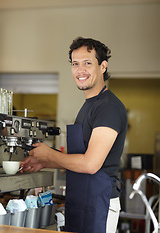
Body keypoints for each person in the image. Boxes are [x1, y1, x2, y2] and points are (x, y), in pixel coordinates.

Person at [20, 37, 127, 233]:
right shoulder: (90, 105)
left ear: (103, 66)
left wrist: (49, 155)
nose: (80, 70)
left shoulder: (108, 107)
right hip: (82, 199)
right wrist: (44, 163)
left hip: (99, 204)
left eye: (88, 63)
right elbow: (77, 159)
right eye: (75, 64)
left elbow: (90, 164)